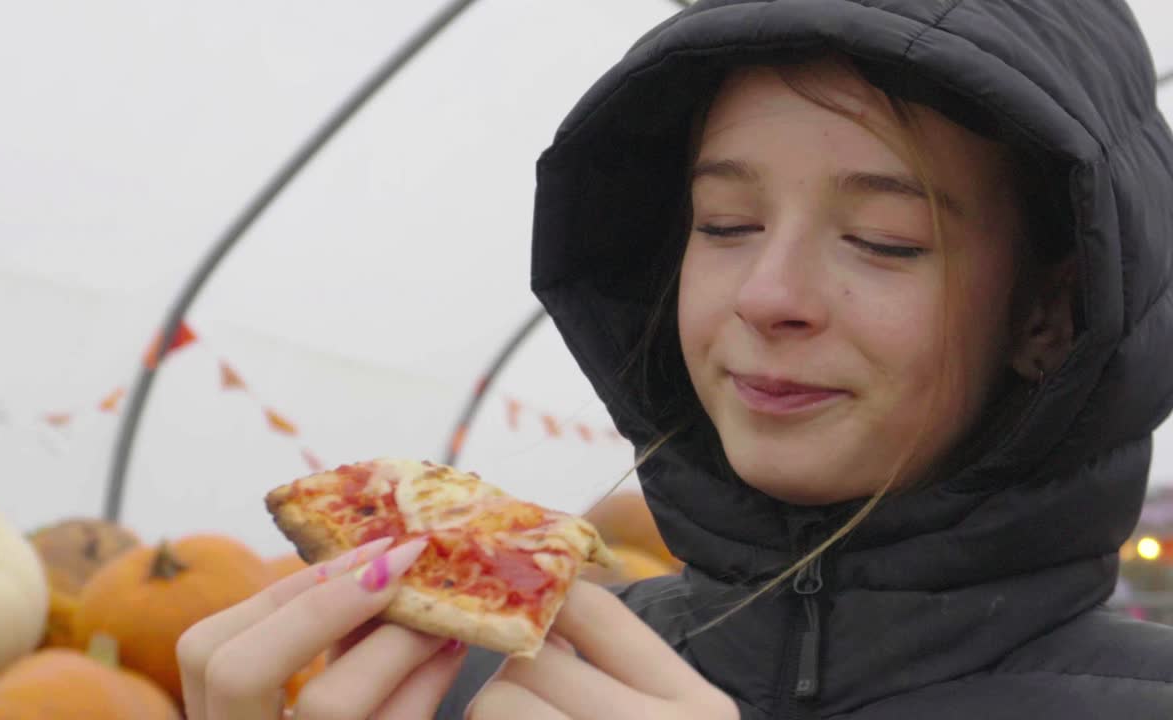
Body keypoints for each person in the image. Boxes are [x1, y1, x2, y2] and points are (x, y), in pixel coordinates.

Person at [177, 0, 1173, 717]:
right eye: (724, 222)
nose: (767, 296)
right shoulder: (488, 680)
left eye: (882, 239)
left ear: (1050, 312)